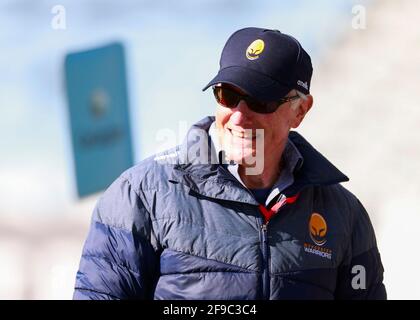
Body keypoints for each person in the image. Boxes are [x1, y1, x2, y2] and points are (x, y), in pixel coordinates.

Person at [73, 27, 386, 300]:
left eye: (261, 100)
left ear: (300, 111)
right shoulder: (140, 195)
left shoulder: (344, 216)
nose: (239, 115)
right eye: (228, 94)